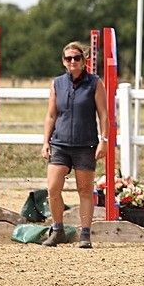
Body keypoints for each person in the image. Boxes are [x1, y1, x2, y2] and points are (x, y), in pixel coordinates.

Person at [40, 41, 108, 248]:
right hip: (60, 143)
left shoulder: (95, 83)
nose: (72, 61)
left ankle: (85, 233)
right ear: (63, 61)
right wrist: (45, 141)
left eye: (76, 58)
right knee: (53, 188)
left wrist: (103, 141)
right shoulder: (57, 83)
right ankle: (58, 229)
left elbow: (103, 115)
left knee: (85, 190)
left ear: (84, 61)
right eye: (68, 58)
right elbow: (51, 115)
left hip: (85, 144)